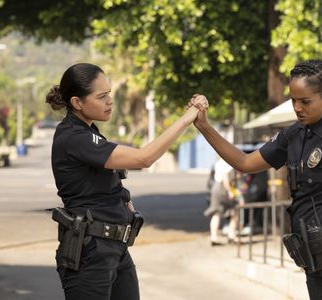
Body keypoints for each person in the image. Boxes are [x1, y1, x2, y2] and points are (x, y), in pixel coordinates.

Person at [191, 59, 322, 300]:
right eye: (293, 100)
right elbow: (245, 163)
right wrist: (204, 127)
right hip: (316, 253)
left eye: (305, 101)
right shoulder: (294, 135)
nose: (298, 108)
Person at [46, 63, 207, 300]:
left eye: (109, 93)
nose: (110, 101)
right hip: (90, 253)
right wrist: (186, 119)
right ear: (77, 103)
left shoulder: (89, 132)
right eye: (101, 96)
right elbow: (144, 158)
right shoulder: (75, 137)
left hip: (114, 247)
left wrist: (124, 200)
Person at [204, 156, 237, 245]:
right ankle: (231, 235)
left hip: (215, 188)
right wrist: (230, 191)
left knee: (216, 213)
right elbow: (225, 178)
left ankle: (213, 237)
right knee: (234, 212)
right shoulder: (227, 163)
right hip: (224, 189)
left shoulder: (217, 163)